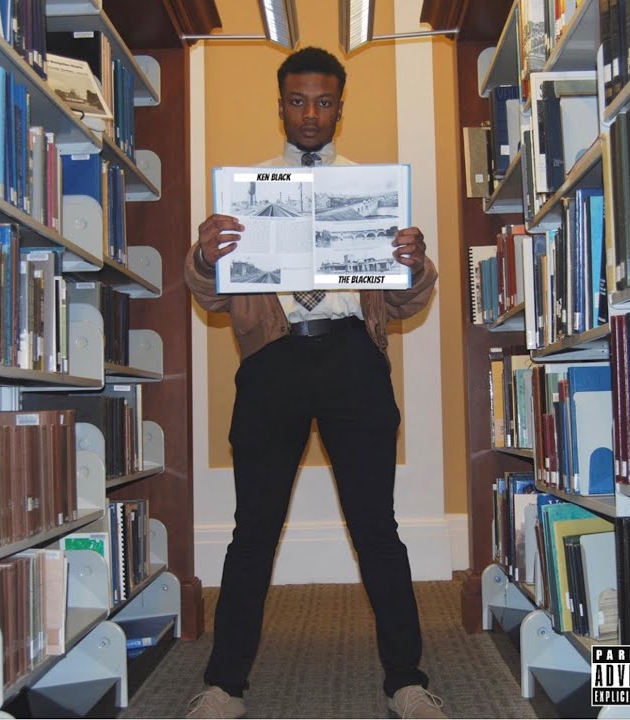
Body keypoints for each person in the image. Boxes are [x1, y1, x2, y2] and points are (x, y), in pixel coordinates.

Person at [182, 47, 446, 720]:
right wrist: (204, 257)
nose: (310, 113)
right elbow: (210, 293)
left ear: (339, 108)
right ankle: (225, 685)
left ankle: (407, 681)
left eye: (323, 102)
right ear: (281, 106)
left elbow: (407, 298)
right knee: (253, 529)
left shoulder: (371, 191)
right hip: (272, 362)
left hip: (353, 358)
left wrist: (415, 264)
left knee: (376, 526)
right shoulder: (244, 195)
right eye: (298, 100)